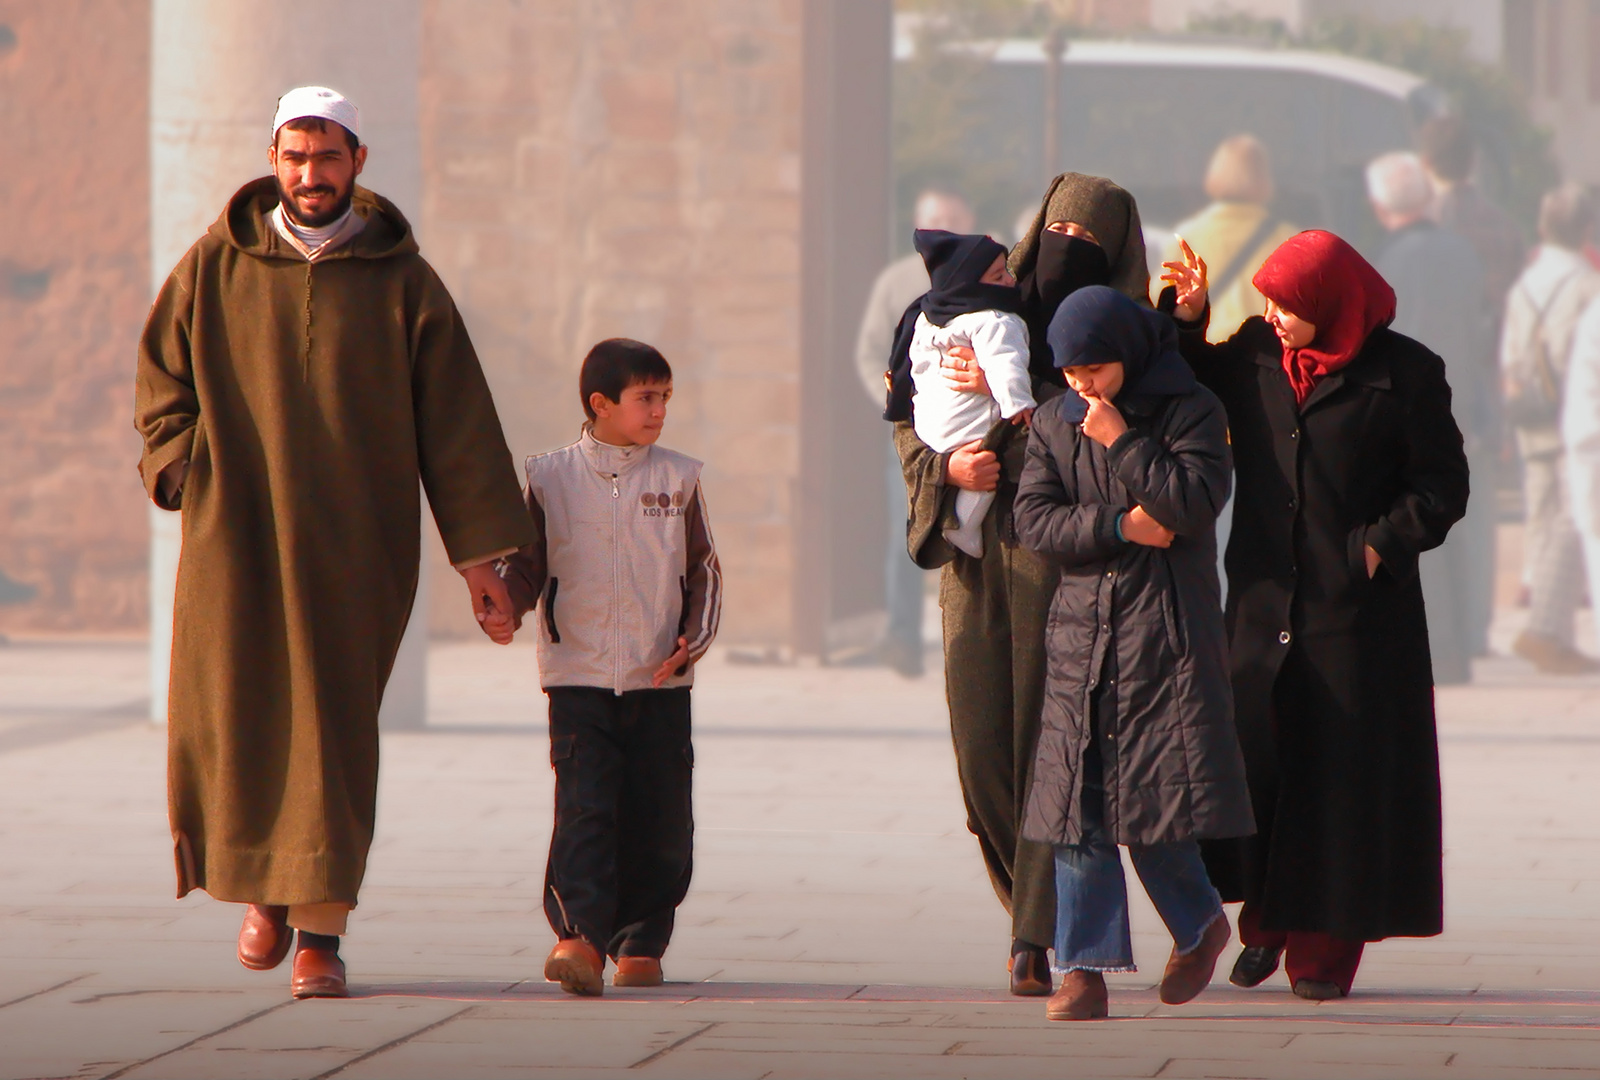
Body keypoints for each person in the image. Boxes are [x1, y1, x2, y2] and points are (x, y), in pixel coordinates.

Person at [134, 86, 535, 999]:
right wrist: (185, 467)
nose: (309, 176)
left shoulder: (404, 284)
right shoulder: (214, 268)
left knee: (335, 727)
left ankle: (320, 926)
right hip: (236, 543)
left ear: (358, 161)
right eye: (294, 158)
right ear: (273, 162)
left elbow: (459, 429)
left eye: (327, 158)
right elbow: (161, 381)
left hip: (360, 545)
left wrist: (482, 564)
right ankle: (263, 893)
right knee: (235, 712)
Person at [1163, 230, 1469, 1000]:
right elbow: (1187, 376)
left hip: (1357, 616)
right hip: (1264, 602)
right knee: (1261, 765)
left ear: (1334, 303)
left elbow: (1442, 484)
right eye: (1267, 299)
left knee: (1338, 783)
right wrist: (1189, 317)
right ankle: (1265, 923)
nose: (1273, 315)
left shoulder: (1405, 373)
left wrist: (1380, 546)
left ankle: (1322, 954)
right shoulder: (1256, 354)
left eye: (1290, 305)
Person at [892, 173, 1150, 996]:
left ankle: (1037, 935)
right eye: (1060, 230)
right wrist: (947, 468)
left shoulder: (1123, 338)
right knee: (981, 752)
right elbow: (910, 419)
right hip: (974, 567)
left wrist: (1030, 406)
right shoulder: (964, 318)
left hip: (1061, 571)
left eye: (1092, 244)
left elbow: (1125, 440)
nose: (1069, 251)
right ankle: (1027, 913)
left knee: (1054, 747)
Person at [1014, 286, 1253, 1021]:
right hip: (1080, 637)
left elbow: (1193, 501)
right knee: (1076, 809)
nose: (1083, 384)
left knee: (1151, 809)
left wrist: (1123, 439)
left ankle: (1200, 922)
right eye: (1072, 371)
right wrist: (1119, 525)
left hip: (1165, 639)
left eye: (1097, 368)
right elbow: (1034, 521)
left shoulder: (1192, 409)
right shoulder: (1055, 423)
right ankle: (1081, 971)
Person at [496, 339, 722, 997]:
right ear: (600, 404)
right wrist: (504, 603)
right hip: (578, 675)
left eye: (664, 398)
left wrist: (692, 640)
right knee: (586, 808)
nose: (658, 411)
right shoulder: (548, 477)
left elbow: (703, 568)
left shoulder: (678, 478)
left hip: (659, 680)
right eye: (645, 398)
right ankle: (580, 940)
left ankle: (643, 942)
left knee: (661, 815)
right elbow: (527, 562)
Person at [1367, 151, 1491, 683]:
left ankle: (1438, 646)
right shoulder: (1462, 252)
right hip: (1459, 399)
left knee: (1413, 525)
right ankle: (1462, 644)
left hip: (1402, 406)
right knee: (1459, 528)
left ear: (1378, 205)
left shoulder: (1385, 260)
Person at [854, 190, 976, 676]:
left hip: (974, 430)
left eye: (953, 217)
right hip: (915, 435)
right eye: (935, 219)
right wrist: (894, 407)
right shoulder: (896, 282)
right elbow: (869, 354)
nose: (944, 225)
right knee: (910, 530)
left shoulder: (988, 272)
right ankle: (904, 636)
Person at [1501, 185, 1600, 673]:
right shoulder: (1588, 285)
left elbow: (1510, 355)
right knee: (1570, 515)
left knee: (1542, 512)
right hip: (1571, 413)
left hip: (1531, 413)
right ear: (1586, 229)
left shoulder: (1526, 283)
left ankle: (1548, 625)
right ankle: (1547, 629)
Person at [894, 229, 1033, 557]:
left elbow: (916, 371)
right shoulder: (996, 319)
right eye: (999, 276)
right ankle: (965, 528)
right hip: (966, 429)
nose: (1011, 282)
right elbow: (1006, 364)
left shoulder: (927, 320)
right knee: (986, 463)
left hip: (929, 427)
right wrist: (1019, 404)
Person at [1164, 135, 1299, 344]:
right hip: (1267, 353)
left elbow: (1161, 301)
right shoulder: (1287, 238)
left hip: (1206, 352)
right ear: (1264, 178)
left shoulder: (1187, 236)